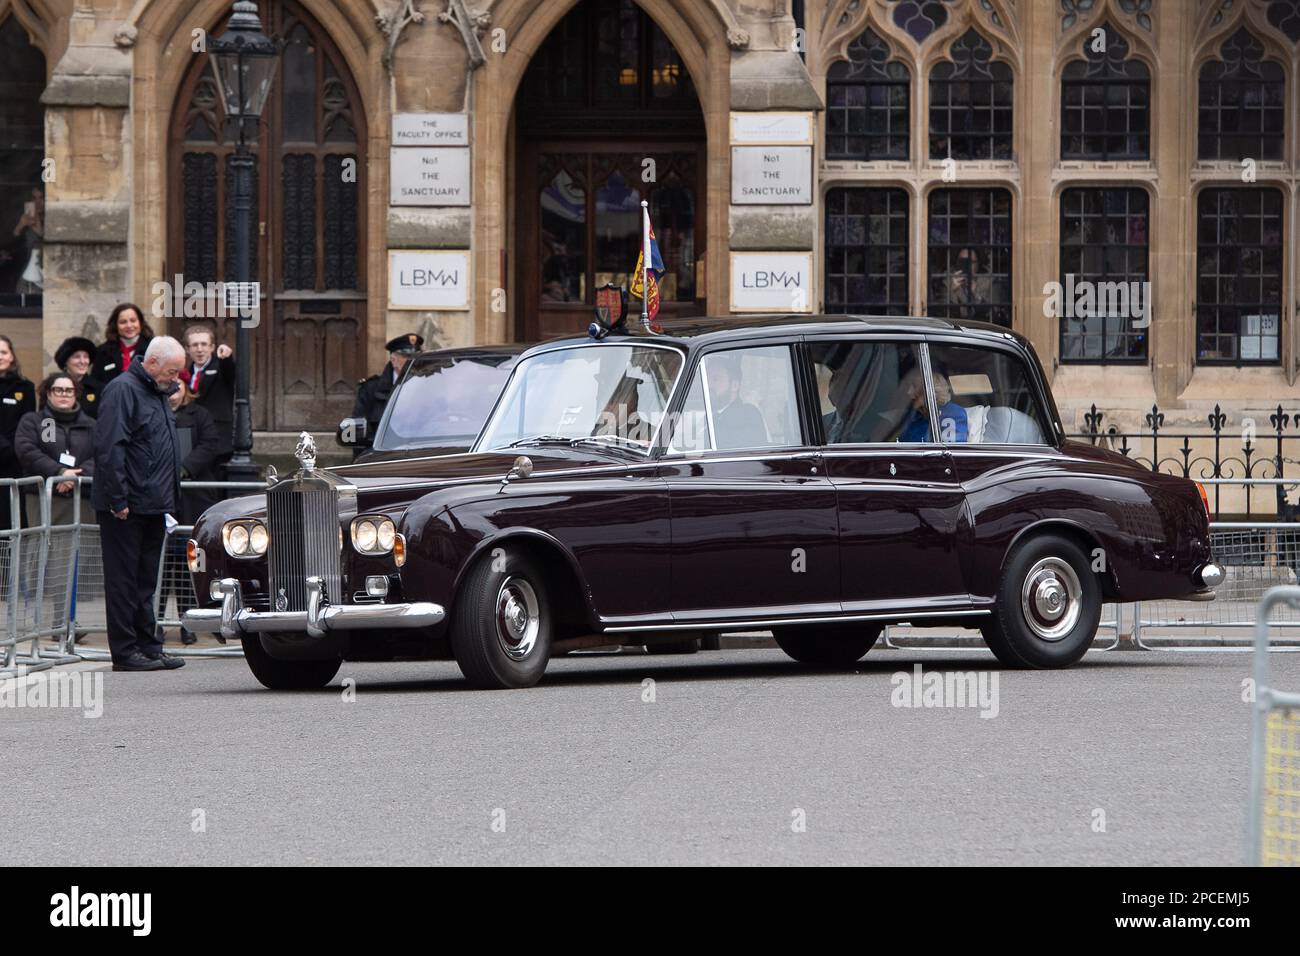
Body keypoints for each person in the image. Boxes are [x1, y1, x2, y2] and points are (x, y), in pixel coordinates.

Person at [92, 336, 187, 672]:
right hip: (126, 505)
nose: (176, 378)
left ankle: (149, 645)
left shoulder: (156, 392)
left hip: (153, 503)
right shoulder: (123, 389)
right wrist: (118, 498)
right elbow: (110, 447)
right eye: (172, 371)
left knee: (145, 581)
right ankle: (125, 650)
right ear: (152, 363)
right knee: (123, 581)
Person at [165, 377, 222, 645]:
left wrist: (184, 469)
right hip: (164, 497)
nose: (173, 393)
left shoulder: (200, 415)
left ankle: (188, 622)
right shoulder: (157, 411)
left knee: (189, 563)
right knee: (163, 565)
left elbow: (209, 445)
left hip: (193, 498)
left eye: (178, 387)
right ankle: (157, 622)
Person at [15, 373, 96, 527]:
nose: (64, 394)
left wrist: (76, 475)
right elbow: (28, 451)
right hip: (44, 497)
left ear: (76, 394)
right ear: (48, 393)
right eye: (58, 390)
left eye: (69, 390)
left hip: (82, 498)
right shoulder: (37, 421)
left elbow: (101, 455)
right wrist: (60, 472)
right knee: (45, 547)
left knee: (82, 548)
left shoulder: (91, 425)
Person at [351, 333, 423, 458]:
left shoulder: (428, 387)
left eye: (416, 357)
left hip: (423, 455)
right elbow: (356, 432)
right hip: (382, 457)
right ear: (393, 359)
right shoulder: (371, 389)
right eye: (407, 357)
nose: (413, 361)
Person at [182, 325, 235, 473]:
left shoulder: (220, 368)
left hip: (219, 441)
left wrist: (227, 357)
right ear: (187, 349)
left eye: (204, 344)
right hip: (195, 441)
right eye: (194, 345)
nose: (199, 349)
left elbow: (229, 371)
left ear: (212, 347)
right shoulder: (187, 373)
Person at [0, 334, 36, 533]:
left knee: (11, 522)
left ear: (12, 356)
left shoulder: (25, 387)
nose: (0, 357)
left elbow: (27, 423)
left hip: (13, 463)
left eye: (4, 352)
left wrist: (12, 449)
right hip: (4, 451)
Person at [886, 366, 969, 444]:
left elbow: (950, 452)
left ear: (931, 389)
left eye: (915, 386)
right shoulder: (911, 416)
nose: (909, 392)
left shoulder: (951, 413)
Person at [706, 353, 767, 449]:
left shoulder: (748, 415)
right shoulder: (708, 414)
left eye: (715, 379)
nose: (708, 386)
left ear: (734, 385)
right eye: (706, 379)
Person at [90, 303, 155, 387]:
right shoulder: (103, 352)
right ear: (115, 325)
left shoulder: (153, 349)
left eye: (133, 320)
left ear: (140, 323)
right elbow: (96, 383)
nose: (129, 325)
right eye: (123, 322)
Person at [54, 336, 102, 418]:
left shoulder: (99, 389)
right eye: (77, 357)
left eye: (86, 357)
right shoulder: (53, 387)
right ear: (66, 361)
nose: (82, 361)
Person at [12, 186, 43, 294]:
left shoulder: (53, 216)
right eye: (34, 198)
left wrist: (39, 230)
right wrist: (20, 226)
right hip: (29, 266)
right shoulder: (26, 217)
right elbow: (13, 242)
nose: (38, 202)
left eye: (41, 198)